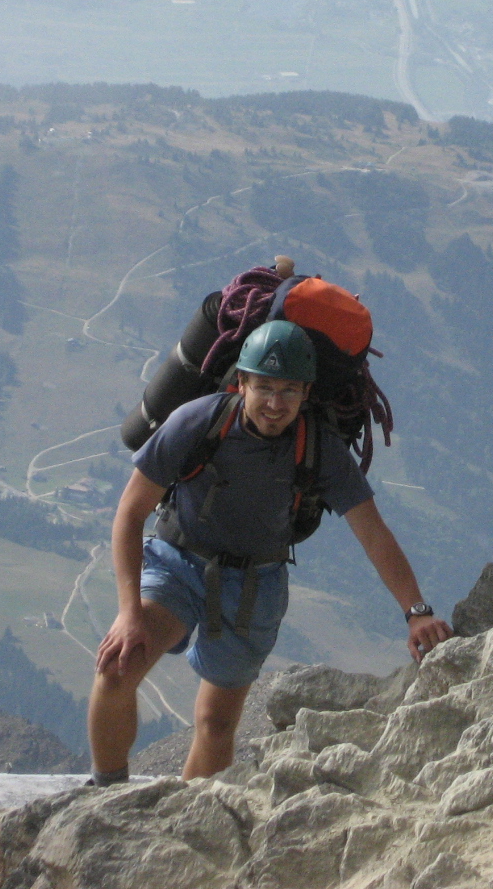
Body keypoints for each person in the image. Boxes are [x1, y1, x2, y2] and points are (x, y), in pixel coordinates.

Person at [87, 319, 453, 783]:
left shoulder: (319, 447)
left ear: (305, 393)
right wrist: (128, 613)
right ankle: (106, 797)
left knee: (217, 723)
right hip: (178, 561)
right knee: (117, 668)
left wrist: (416, 612)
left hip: (255, 587)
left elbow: (374, 533)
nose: (276, 404)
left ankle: (187, 815)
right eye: (264, 388)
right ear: (241, 383)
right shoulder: (198, 422)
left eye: (288, 391)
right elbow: (129, 514)